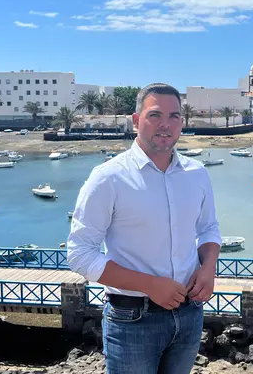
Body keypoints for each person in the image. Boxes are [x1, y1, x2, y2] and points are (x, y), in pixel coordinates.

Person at [67, 82, 222, 374]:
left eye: (174, 116)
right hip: (132, 319)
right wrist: (149, 285)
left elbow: (209, 228)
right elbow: (80, 253)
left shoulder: (197, 174)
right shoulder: (108, 178)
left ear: (182, 123)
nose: (165, 124)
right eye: (155, 115)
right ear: (136, 121)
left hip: (190, 314)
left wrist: (209, 267)